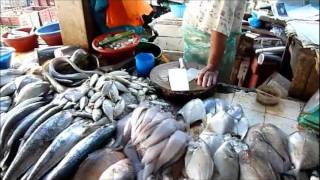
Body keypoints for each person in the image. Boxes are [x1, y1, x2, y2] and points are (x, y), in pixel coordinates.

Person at [182, 0, 246, 87]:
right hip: (199, 45)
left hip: (210, 48)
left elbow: (220, 25)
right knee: (191, 83)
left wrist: (212, 66)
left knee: (204, 86)